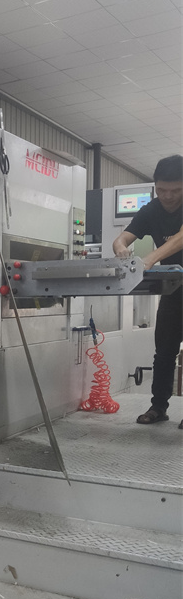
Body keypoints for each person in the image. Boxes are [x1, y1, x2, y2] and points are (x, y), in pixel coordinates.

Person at [112, 154, 183, 427]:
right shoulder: (151, 210)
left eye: (175, 190)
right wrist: (121, 248)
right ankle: (158, 407)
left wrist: (150, 259)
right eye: (161, 190)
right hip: (173, 289)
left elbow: (180, 238)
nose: (168, 196)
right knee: (164, 351)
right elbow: (122, 238)